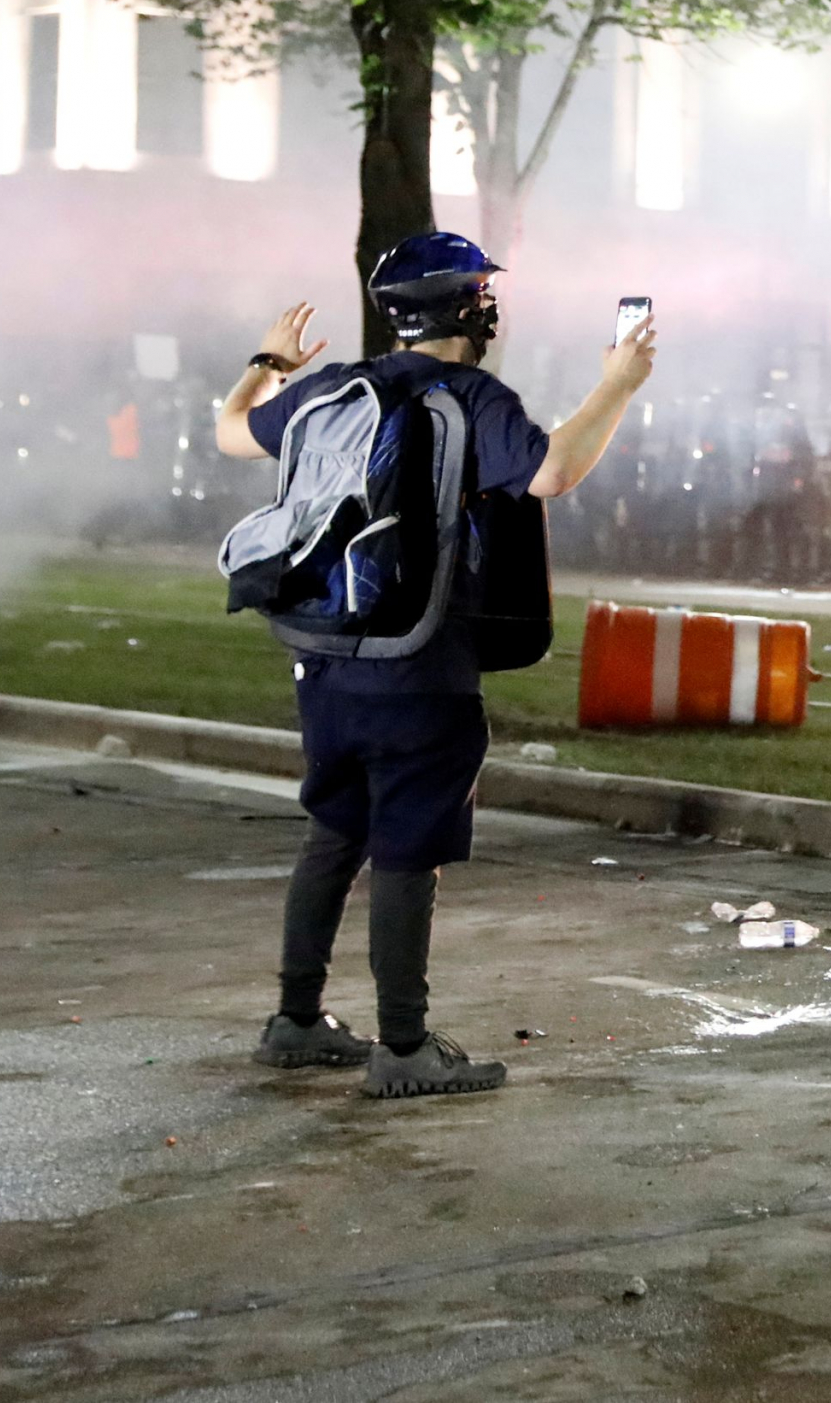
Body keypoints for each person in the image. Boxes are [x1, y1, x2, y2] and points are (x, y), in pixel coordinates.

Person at [213, 233, 657, 1098]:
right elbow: (553, 471)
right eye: (486, 294)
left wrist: (268, 360)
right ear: (470, 309)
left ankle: (296, 1021)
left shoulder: (330, 390)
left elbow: (232, 431)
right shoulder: (471, 397)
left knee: (334, 832)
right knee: (408, 848)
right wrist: (619, 384)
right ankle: (405, 1049)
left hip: (323, 661)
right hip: (420, 665)